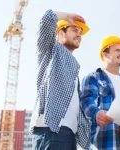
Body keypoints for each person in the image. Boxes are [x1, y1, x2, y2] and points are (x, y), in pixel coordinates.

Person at [29, 9, 91, 150]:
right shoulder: (50, 50)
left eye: (80, 33)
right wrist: (67, 17)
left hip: (69, 133)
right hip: (50, 130)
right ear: (60, 33)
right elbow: (46, 19)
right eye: (74, 30)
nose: (79, 35)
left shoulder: (74, 65)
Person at [80, 36, 120, 150]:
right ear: (105, 54)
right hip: (101, 143)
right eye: (117, 50)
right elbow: (87, 100)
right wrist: (96, 113)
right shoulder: (93, 78)